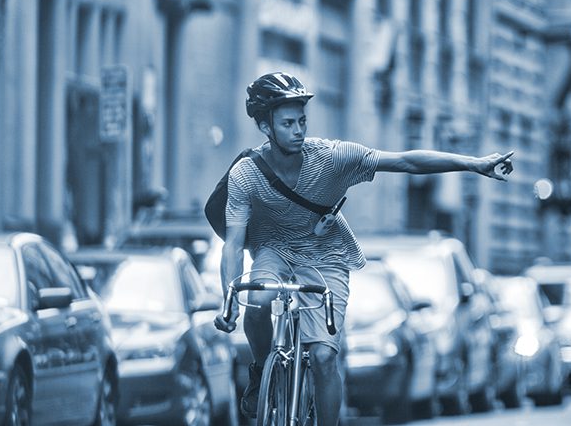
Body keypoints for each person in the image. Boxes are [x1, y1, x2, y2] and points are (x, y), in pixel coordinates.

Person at [214, 71, 514, 426]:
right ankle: (262, 369)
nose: (299, 130)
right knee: (259, 300)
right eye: (288, 123)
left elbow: (404, 161)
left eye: (302, 121)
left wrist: (472, 163)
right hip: (273, 249)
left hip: (325, 254)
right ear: (265, 127)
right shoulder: (246, 174)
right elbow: (233, 245)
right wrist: (228, 301)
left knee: (324, 357)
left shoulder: (333, 157)